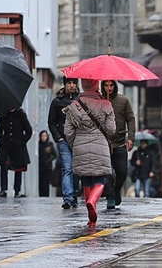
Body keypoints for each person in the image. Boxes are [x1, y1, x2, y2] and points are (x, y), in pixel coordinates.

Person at [64, 78, 116, 227]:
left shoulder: (74, 105)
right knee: (100, 178)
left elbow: (68, 131)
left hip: (80, 144)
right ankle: (92, 201)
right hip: (100, 144)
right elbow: (111, 130)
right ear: (97, 85)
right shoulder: (106, 104)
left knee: (85, 178)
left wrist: (76, 144)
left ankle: (90, 218)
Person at [101, 80, 136, 209]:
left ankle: (116, 189)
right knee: (107, 172)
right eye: (105, 85)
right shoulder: (99, 101)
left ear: (115, 86)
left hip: (120, 141)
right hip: (103, 142)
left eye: (111, 85)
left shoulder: (123, 100)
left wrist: (131, 137)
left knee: (122, 171)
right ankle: (110, 196)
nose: (108, 88)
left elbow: (130, 119)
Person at [48, 75, 81, 209]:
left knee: (76, 170)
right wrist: (58, 137)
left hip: (79, 140)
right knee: (67, 168)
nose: (72, 85)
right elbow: (51, 122)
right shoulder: (57, 101)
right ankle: (67, 198)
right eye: (69, 83)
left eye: (74, 83)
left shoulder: (81, 100)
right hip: (63, 140)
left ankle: (74, 196)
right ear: (65, 85)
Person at [0, 108, 32, 197]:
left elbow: (28, 131)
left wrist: (22, 141)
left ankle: (17, 190)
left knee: (18, 168)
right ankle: (3, 189)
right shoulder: (3, 116)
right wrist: (1, 140)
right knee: (4, 166)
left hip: (18, 146)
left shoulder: (21, 115)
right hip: (6, 146)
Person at [38, 130, 57, 197]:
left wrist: (48, 161)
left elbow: (54, 155)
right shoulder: (39, 145)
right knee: (41, 182)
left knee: (46, 183)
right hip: (40, 167)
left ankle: (46, 195)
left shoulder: (49, 144)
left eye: (45, 136)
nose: (43, 137)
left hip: (47, 167)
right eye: (42, 136)